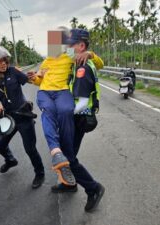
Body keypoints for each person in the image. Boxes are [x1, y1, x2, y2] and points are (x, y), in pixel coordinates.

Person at [28, 27, 105, 211]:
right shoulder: (58, 59)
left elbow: (98, 65)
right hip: (72, 114)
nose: (65, 46)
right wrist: (35, 79)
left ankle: (94, 188)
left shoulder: (78, 60)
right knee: (66, 154)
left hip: (77, 117)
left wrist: (90, 53)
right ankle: (69, 184)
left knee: (68, 157)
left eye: (69, 43)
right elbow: (43, 77)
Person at [0, 46, 45, 189]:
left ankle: (40, 173)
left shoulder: (14, 72)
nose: (3, 63)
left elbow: (30, 80)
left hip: (24, 116)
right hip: (8, 118)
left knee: (30, 149)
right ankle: (10, 160)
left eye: (5, 60)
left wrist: (38, 75)